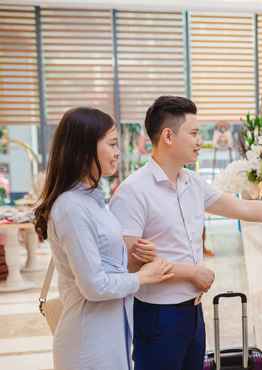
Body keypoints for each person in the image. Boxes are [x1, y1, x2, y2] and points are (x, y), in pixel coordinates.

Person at [109, 96, 262, 370]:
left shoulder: (192, 183)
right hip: (159, 315)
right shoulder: (134, 191)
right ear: (168, 136)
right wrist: (191, 272)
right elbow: (127, 263)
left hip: (193, 310)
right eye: (193, 133)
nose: (200, 141)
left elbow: (245, 208)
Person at [33, 107, 174, 370]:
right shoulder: (71, 207)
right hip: (88, 345)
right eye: (111, 144)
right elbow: (93, 285)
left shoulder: (93, 200)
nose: (118, 152)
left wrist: (135, 255)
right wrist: (142, 278)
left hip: (108, 336)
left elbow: (104, 261)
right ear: (84, 149)